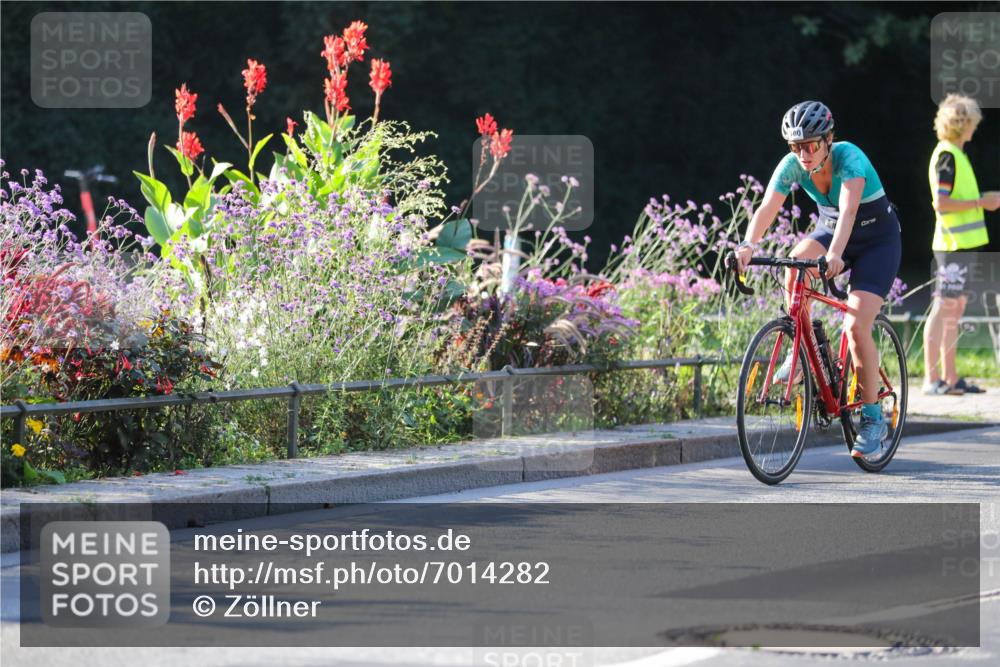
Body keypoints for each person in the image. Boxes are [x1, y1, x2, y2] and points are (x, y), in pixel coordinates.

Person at [735, 101, 902, 459]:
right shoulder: (793, 165)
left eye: (810, 145)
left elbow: (849, 212)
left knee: (856, 327)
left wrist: (836, 256)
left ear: (828, 140)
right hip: (832, 232)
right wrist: (749, 244)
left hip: (876, 241)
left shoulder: (850, 159)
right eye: (795, 147)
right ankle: (800, 354)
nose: (803, 154)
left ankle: (873, 419)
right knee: (795, 263)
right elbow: (768, 206)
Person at [922, 94, 1000, 396]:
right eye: (972, 123)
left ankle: (951, 379)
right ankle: (932, 380)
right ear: (962, 124)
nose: (975, 128)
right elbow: (941, 204)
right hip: (953, 246)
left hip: (963, 246)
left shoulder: (955, 154)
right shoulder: (947, 156)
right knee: (944, 308)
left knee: (954, 310)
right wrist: (983, 201)